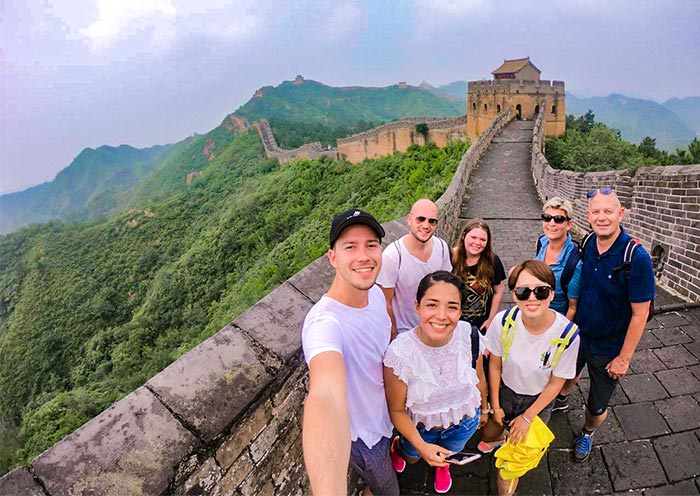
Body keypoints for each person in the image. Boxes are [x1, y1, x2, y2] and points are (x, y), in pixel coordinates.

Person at [302, 208, 399, 496]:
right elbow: (325, 396)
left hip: (388, 416)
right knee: (388, 491)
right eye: (350, 247)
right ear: (333, 258)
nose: (364, 256)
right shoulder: (325, 323)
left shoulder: (377, 296)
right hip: (365, 437)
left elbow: (385, 345)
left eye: (371, 244)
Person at [561, 187, 655, 462]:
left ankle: (587, 433)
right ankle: (562, 400)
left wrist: (623, 359)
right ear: (588, 215)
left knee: (596, 404)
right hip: (580, 333)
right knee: (566, 374)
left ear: (620, 214)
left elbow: (640, 314)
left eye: (608, 211)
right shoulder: (588, 242)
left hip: (609, 346)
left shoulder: (636, 258)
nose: (602, 217)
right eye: (597, 212)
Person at [479, 259, 580, 496]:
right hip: (506, 392)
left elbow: (557, 382)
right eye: (524, 291)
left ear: (552, 293)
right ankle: (501, 436)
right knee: (487, 436)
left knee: (512, 465)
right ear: (514, 294)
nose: (532, 298)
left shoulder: (567, 334)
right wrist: (494, 404)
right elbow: (494, 365)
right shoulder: (504, 322)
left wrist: (527, 417)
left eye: (541, 291)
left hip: (537, 400)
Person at [383, 271, 488, 494]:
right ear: (417, 306)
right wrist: (422, 446)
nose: (441, 315)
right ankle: (399, 448)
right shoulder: (400, 353)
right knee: (412, 459)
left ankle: (444, 464)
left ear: (460, 311)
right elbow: (397, 410)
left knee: (451, 454)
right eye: (432, 305)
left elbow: (478, 378)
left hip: (465, 422)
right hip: (420, 430)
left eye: (452, 307)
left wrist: (485, 409)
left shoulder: (469, 335)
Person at [377, 199, 452, 339]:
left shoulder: (441, 247)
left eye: (432, 221)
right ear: (409, 219)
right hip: (405, 334)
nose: (426, 225)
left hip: (434, 329)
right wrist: (393, 335)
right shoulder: (393, 256)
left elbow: (445, 288)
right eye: (421, 219)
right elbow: (385, 302)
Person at [451, 219, 506, 333]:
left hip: (481, 324)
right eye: (473, 237)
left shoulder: (493, 261)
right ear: (463, 236)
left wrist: (491, 320)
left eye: (482, 239)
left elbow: (498, 291)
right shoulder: (450, 257)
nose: (477, 243)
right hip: (453, 323)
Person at [535, 197, 581, 321]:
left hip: (555, 322)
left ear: (568, 225)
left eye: (559, 219)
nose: (551, 223)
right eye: (547, 218)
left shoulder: (574, 263)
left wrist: (561, 336)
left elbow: (573, 308)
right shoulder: (541, 241)